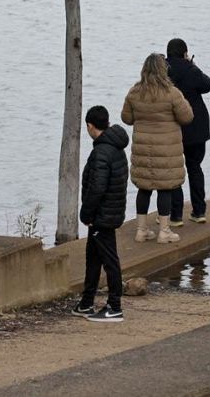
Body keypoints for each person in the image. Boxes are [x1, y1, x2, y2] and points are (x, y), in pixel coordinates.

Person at [121, 53, 193, 245]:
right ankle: (164, 231)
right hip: (166, 151)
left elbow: (126, 118)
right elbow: (187, 117)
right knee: (164, 189)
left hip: (143, 150)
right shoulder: (172, 93)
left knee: (144, 189)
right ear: (164, 70)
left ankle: (141, 230)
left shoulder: (135, 92)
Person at [75, 105, 129, 322]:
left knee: (109, 260)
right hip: (111, 211)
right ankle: (86, 302)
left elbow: (97, 187)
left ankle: (115, 306)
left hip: (102, 215)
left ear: (90, 125)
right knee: (93, 257)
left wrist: (86, 214)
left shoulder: (101, 152)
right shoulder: (116, 147)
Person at [166, 37, 210, 224]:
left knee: (174, 172)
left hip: (174, 128)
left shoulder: (163, 71)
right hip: (196, 127)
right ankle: (199, 211)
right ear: (185, 53)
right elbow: (208, 85)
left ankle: (175, 215)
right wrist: (193, 65)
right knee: (195, 168)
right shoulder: (191, 69)